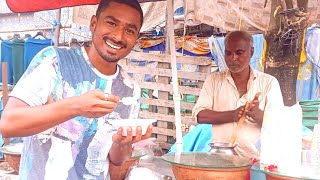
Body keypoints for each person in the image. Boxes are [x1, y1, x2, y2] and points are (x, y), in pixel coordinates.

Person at [0, 0, 152, 179]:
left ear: (136, 37)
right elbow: (8, 124)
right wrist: (76, 107)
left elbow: (118, 160)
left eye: (129, 30)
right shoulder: (54, 61)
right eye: (111, 23)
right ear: (94, 24)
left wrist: (122, 144)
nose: (118, 36)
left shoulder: (130, 89)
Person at [192, 30, 284, 159]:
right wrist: (232, 115)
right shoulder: (214, 80)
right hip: (221, 160)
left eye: (239, 53)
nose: (233, 58)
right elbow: (200, 116)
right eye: (228, 53)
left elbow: (279, 125)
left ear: (251, 52)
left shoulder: (268, 83)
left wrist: (258, 115)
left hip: (255, 161)